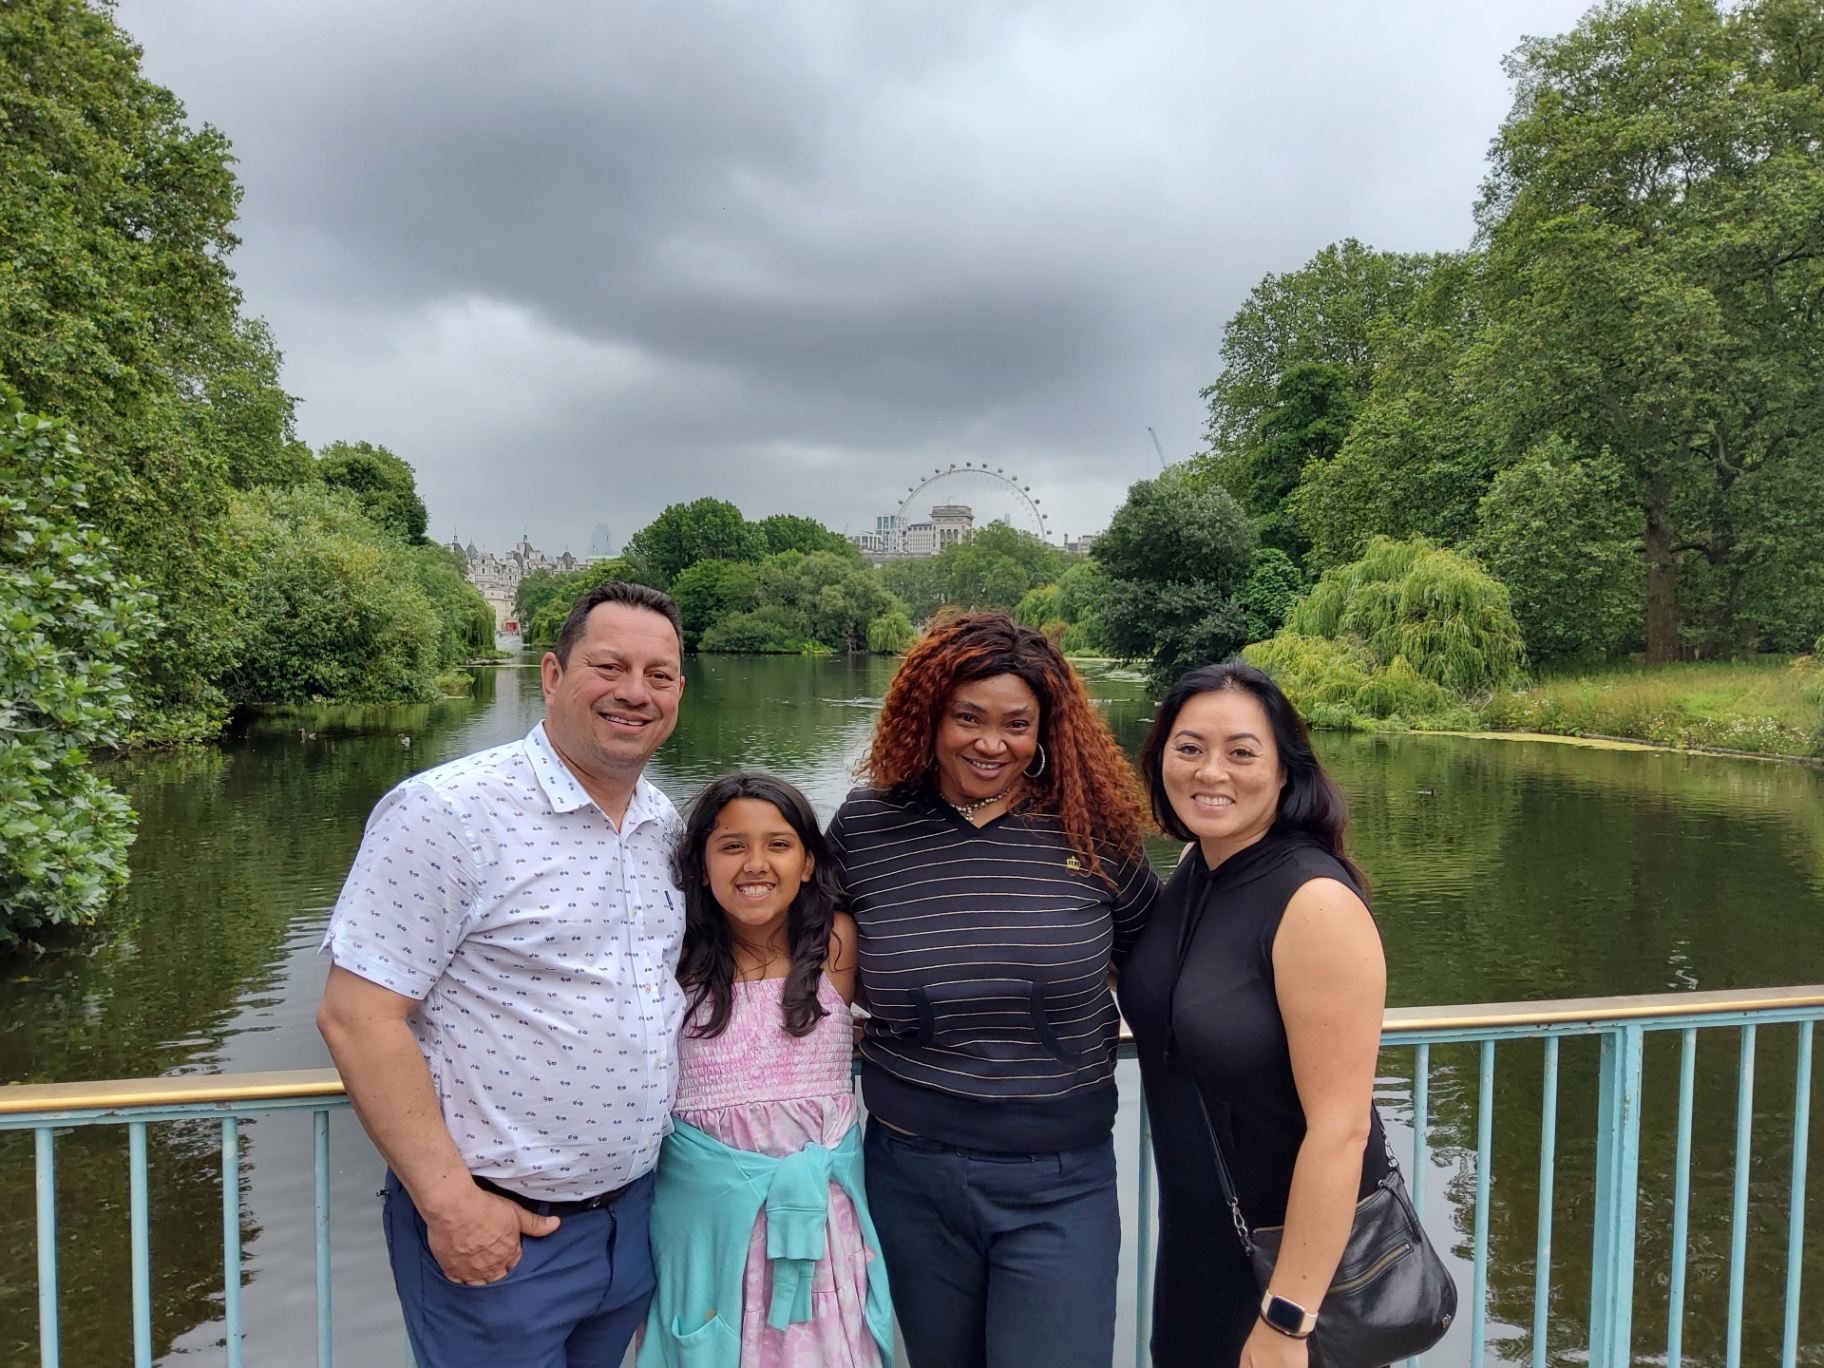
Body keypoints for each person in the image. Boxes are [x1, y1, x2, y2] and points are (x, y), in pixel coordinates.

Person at [316, 580, 690, 1368]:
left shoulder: (665, 824)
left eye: (658, 675)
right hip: (500, 1230)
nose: (635, 692)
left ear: (678, 694)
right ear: (552, 675)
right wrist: (450, 1204)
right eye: (609, 667)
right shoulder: (447, 813)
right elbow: (358, 1017)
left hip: (631, 1223)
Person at [826, 612, 1160, 1368]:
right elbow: (801, 954)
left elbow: (1159, 965)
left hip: (1061, 1180)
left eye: (1016, 724)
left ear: (1045, 732)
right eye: (968, 717)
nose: (990, 743)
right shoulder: (869, 825)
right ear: (929, 717)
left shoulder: (1092, 829)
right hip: (909, 1174)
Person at [1121, 662, 1387, 1368]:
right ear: (1160, 758)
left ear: (1284, 771)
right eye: (1189, 748)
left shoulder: (1315, 902)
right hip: (1198, 1256)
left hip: (1288, 1276)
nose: (1211, 772)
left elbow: (1342, 1131)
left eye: (1241, 752)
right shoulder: (1198, 866)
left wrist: (1288, 1318)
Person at [639, 772, 893, 1368]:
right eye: (732, 846)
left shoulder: (836, 944)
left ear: (808, 863)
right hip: (708, 1228)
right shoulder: (672, 959)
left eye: (778, 844)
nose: (756, 864)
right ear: (702, 868)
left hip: (817, 1227)